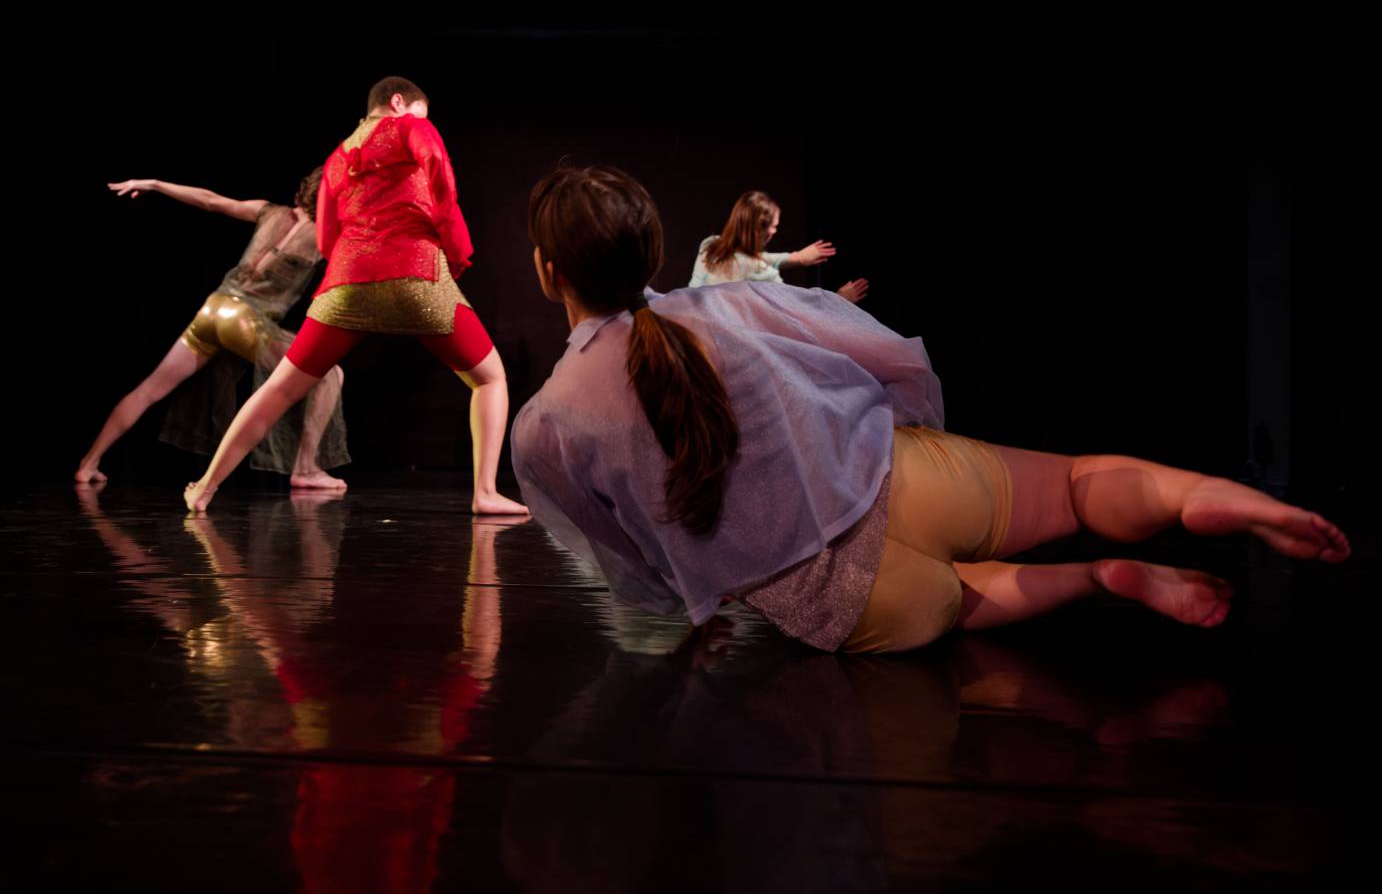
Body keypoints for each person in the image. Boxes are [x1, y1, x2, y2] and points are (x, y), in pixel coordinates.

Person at [512, 166, 1351, 653]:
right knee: (1078, 480)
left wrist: (699, 602)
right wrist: (910, 420)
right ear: (653, 250)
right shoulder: (717, 307)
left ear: (550, 271)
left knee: (959, 593)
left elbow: (629, 564)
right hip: (899, 475)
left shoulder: (547, 425)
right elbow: (871, 345)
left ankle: (1098, 579)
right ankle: (1229, 499)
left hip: (840, 595)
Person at [183, 77, 526, 516]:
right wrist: (457, 250)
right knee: (490, 378)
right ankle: (484, 493)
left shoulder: (338, 156)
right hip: (415, 275)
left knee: (280, 389)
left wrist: (345, 266)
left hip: (347, 283)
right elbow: (439, 170)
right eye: (421, 113)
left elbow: (326, 232)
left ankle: (205, 487)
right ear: (398, 102)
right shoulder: (411, 128)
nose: (424, 122)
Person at [74, 172, 348, 489]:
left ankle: (88, 463)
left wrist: (155, 184)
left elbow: (211, 201)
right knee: (329, 375)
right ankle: (306, 469)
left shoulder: (267, 210)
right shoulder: (325, 236)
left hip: (213, 309)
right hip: (245, 320)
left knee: (149, 390)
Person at [689, 189, 869, 303]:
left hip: (689, 328)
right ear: (759, 230)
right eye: (774, 226)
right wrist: (839, 300)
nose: (775, 231)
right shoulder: (762, 272)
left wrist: (797, 258)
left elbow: (741, 259)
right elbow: (799, 307)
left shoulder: (710, 245)